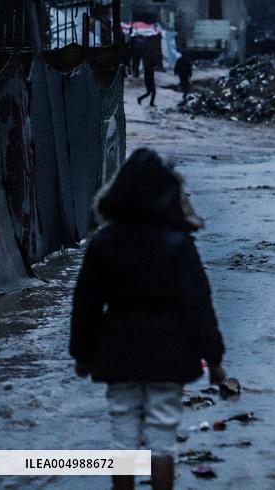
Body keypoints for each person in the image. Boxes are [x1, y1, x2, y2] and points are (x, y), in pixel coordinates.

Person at [70, 148, 226, 490]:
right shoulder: (179, 243)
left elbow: (86, 305)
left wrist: (82, 355)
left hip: (118, 352)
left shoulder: (104, 242)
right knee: (163, 439)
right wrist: (213, 360)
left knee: (122, 436)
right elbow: (199, 305)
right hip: (169, 354)